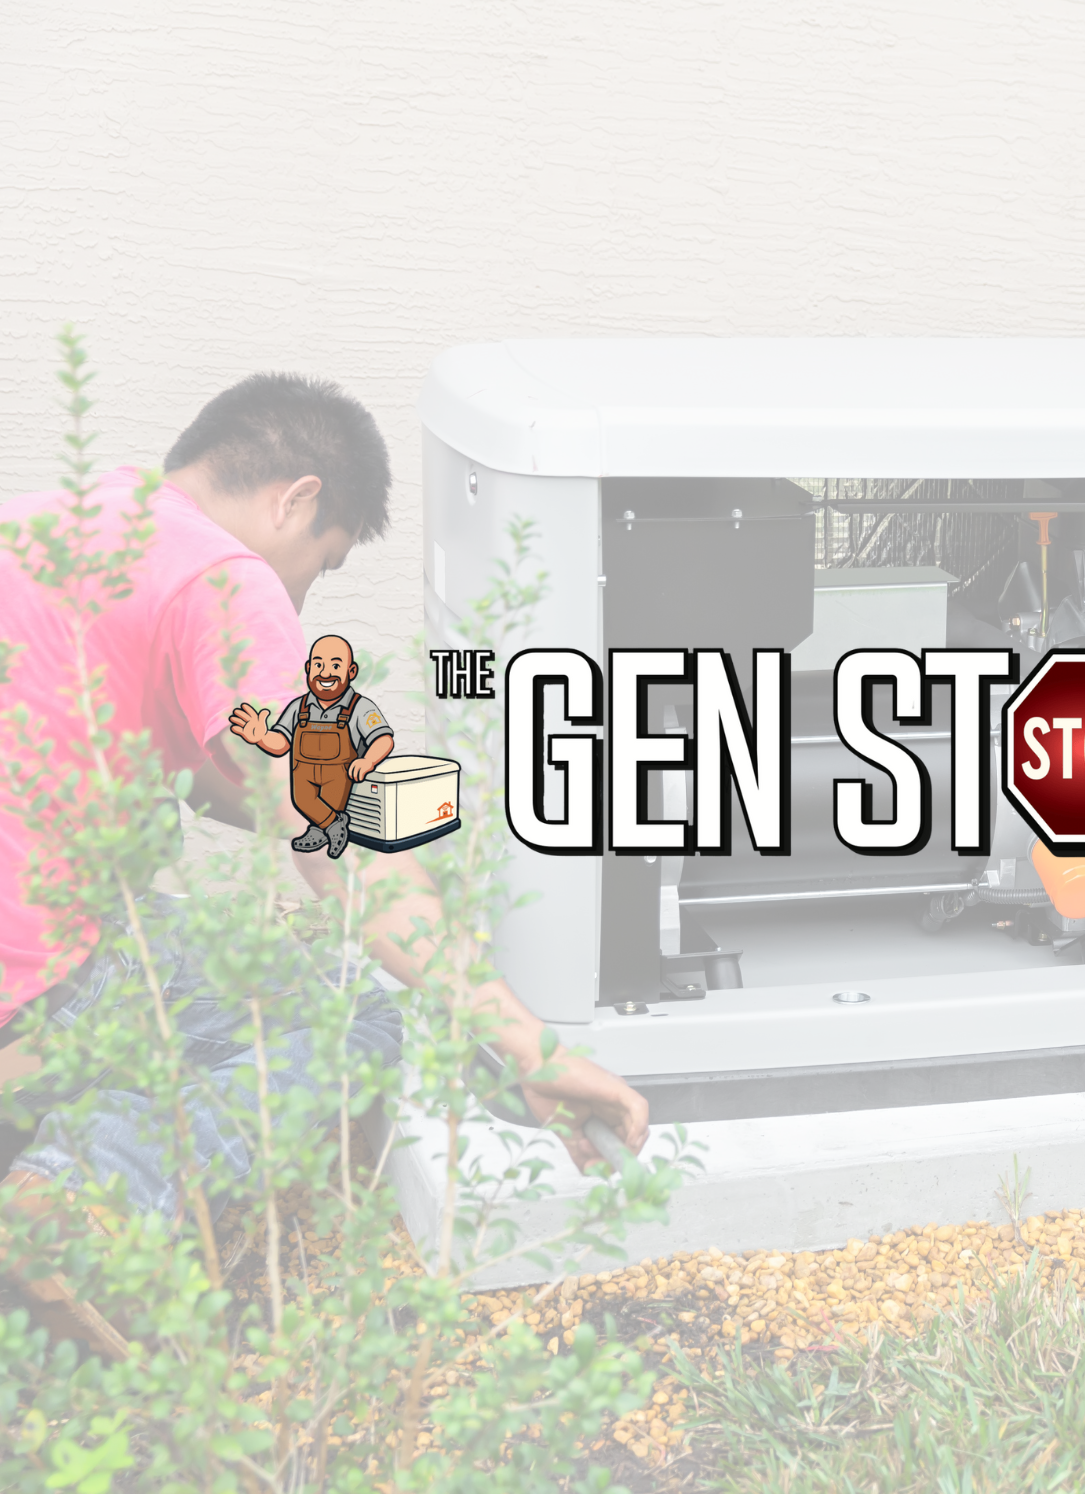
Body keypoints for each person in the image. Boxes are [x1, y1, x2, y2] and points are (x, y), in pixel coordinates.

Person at [0, 372, 649, 1245]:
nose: (302, 602)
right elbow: (337, 854)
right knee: (358, 1016)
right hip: (32, 978)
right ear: (296, 498)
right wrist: (532, 1045)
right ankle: (77, 1195)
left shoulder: (54, 521)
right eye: (323, 562)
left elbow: (245, 780)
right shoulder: (226, 579)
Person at [232, 632, 397, 857]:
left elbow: (383, 739)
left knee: (331, 804)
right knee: (303, 801)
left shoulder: (360, 707)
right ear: (308, 669)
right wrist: (261, 737)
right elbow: (281, 743)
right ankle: (331, 826)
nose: (326, 673)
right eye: (318, 664)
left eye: (335, 665)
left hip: (338, 775)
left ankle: (326, 827)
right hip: (303, 773)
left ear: (351, 672)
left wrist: (368, 760)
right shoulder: (298, 707)